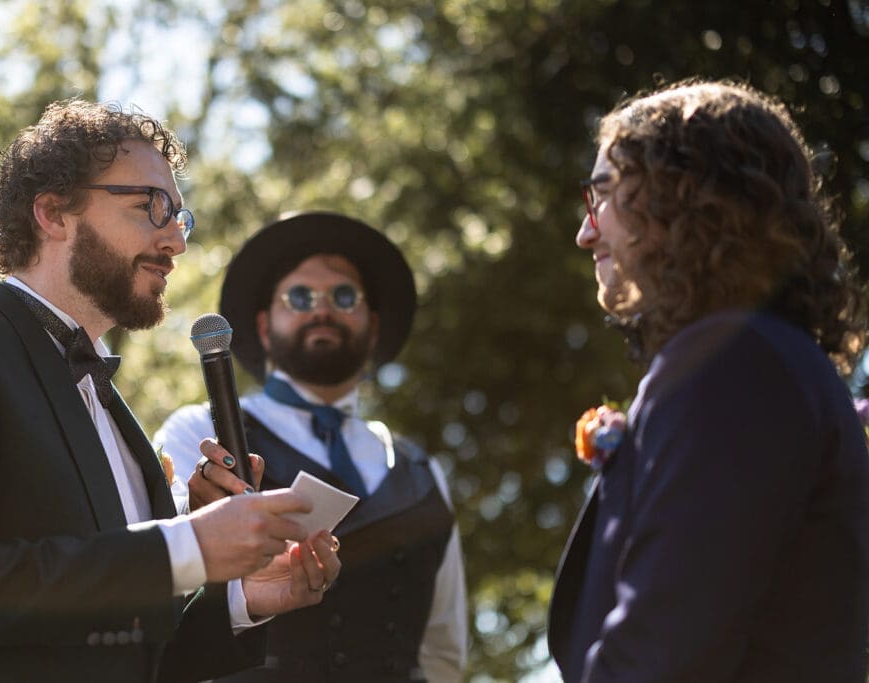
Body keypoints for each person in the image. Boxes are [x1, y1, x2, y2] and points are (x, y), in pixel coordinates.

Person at [0, 100, 341, 683]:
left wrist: (245, 598)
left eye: (180, 218)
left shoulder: (118, 420)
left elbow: (128, 653)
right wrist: (188, 548)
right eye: (150, 206)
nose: (175, 243)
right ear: (54, 213)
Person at [547, 78, 869, 682]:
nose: (586, 232)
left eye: (603, 197)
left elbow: (663, 655)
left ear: (683, 197)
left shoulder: (733, 367)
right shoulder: (761, 362)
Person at [155, 211, 468, 682]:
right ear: (264, 326)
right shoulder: (197, 432)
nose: (322, 309)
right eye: (299, 296)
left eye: (344, 295)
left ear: (374, 324)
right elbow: (162, 598)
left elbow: (445, 652)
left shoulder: (423, 471)